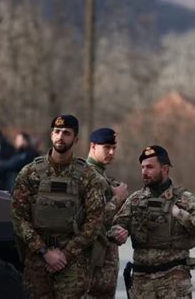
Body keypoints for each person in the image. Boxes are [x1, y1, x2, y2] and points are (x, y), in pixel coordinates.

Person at [11, 115, 105, 298]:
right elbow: (18, 216)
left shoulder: (88, 176)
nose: (60, 137)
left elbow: (95, 221)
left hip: (72, 262)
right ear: (51, 135)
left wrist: (66, 255)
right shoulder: (30, 173)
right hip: (37, 259)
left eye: (66, 133)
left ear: (75, 139)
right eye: (56, 132)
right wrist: (44, 251)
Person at [110, 145, 195, 299]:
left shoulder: (183, 198)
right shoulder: (135, 199)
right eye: (143, 167)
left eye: (150, 167)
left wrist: (180, 214)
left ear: (165, 169)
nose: (144, 171)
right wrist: (118, 233)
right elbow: (117, 225)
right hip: (142, 282)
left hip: (173, 281)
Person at [85, 128, 128, 299]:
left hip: (105, 261)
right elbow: (92, 218)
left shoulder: (101, 175)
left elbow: (108, 220)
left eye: (114, 148)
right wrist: (118, 198)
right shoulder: (87, 175)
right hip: (92, 262)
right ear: (93, 146)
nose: (111, 152)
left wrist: (119, 229)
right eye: (107, 147)